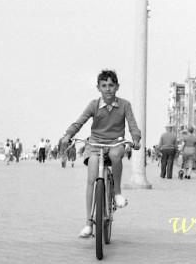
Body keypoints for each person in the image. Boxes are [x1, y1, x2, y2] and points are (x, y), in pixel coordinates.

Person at [59, 69, 141, 238]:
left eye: (111, 85)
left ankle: (117, 193)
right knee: (91, 177)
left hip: (115, 142)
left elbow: (132, 124)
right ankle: (89, 223)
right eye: (104, 86)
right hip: (95, 143)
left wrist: (136, 138)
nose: (108, 89)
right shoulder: (94, 105)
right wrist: (68, 135)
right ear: (98, 88)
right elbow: (79, 122)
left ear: (117, 87)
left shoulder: (124, 105)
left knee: (115, 155)